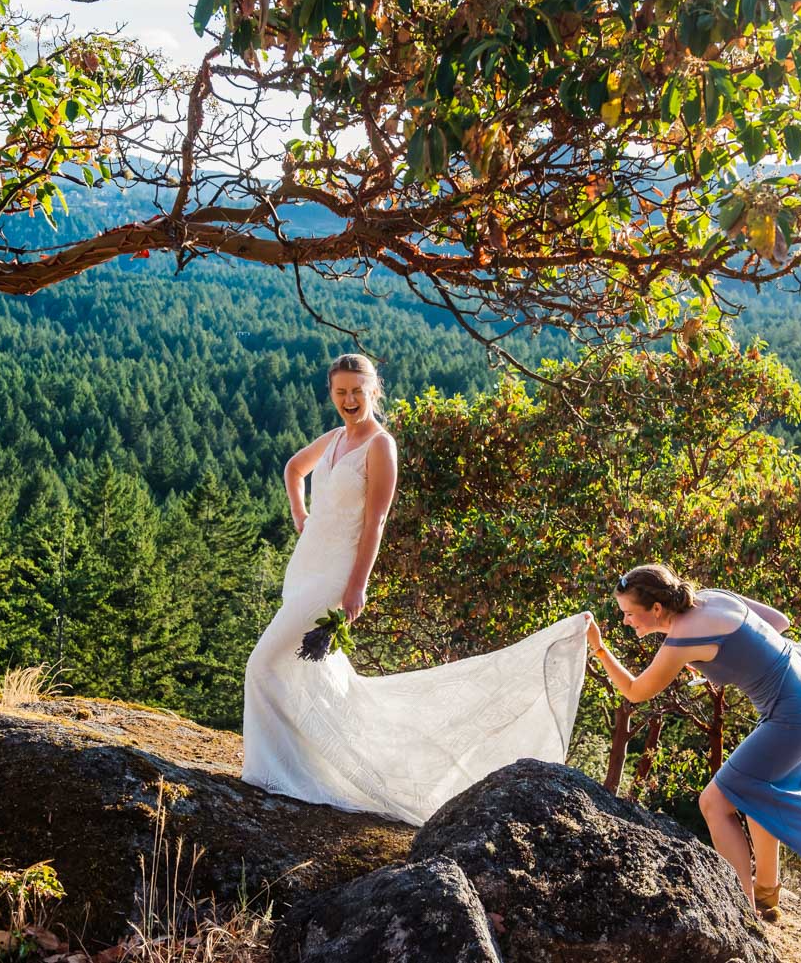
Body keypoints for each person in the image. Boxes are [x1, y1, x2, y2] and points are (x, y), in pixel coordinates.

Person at [241, 353, 589, 826]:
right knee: (309, 674)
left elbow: (376, 521)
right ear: (331, 393)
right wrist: (302, 517)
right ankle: (305, 765)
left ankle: (269, 776)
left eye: (357, 392)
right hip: (305, 567)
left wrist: (355, 589)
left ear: (373, 391)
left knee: (262, 662)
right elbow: (293, 469)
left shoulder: (380, 447)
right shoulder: (335, 439)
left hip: (334, 576)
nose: (348, 400)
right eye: (340, 392)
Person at [582, 564, 801, 921]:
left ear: (656, 609)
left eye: (629, 614)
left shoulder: (680, 640)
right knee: (756, 790)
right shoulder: (710, 597)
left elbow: (635, 690)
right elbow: (779, 622)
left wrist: (598, 649)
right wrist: (727, 658)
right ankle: (766, 894)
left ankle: (742, 911)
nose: (627, 621)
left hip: (793, 715)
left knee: (714, 803)